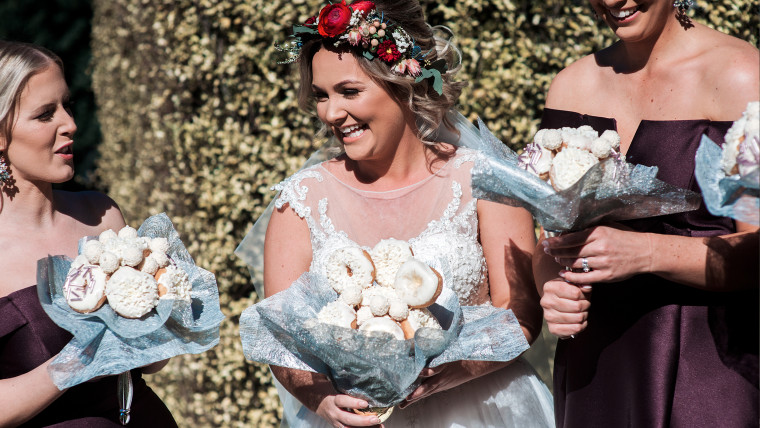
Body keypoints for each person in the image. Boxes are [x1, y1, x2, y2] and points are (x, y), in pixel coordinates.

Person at [259, 0, 555, 426]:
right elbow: (281, 339)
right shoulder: (301, 200)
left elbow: (520, 314)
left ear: (403, 82)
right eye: (321, 96)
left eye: (348, 91)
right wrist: (323, 400)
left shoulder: (485, 183)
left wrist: (445, 375)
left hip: (485, 410)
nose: (329, 113)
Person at [533, 1, 759, 426]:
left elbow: (757, 246)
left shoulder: (739, 76)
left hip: (706, 367)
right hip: (594, 367)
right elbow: (551, 242)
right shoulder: (572, 85)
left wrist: (646, 253)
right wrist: (553, 288)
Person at [0, 41, 177, 427]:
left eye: (67, 105)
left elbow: (153, 364)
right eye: (46, 114)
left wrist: (165, 301)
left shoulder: (102, 215)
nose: (71, 125)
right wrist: (79, 359)